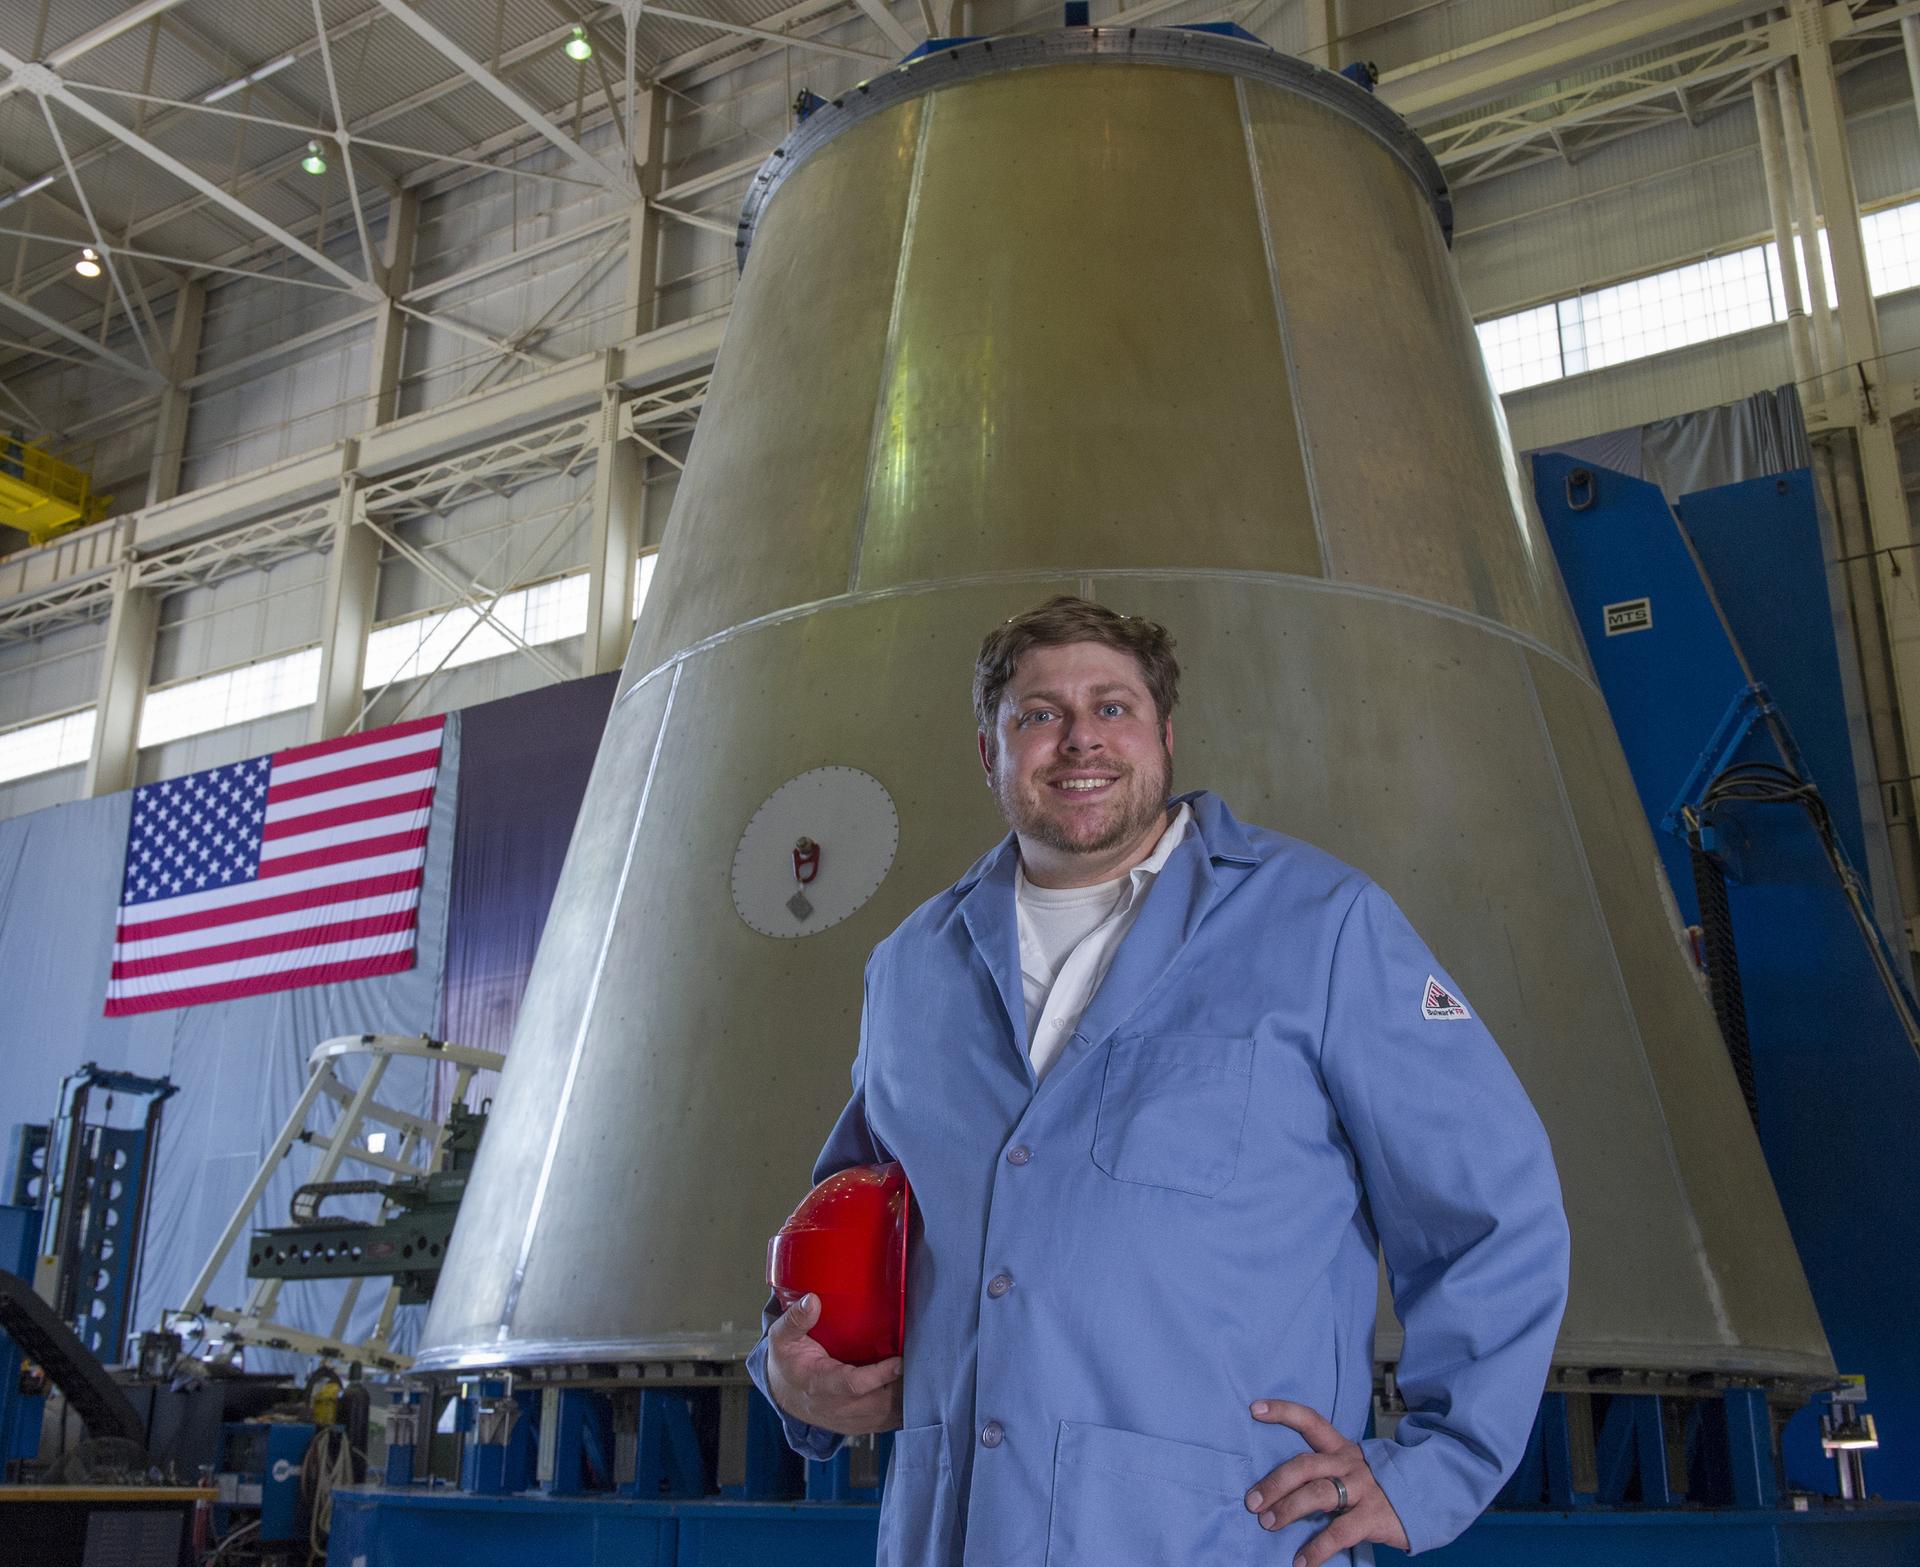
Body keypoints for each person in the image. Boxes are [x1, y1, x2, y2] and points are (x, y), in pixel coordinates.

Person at [748, 596, 1570, 1567]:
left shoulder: (1320, 926)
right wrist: (789, 1373)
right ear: (990, 751)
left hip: (1224, 1535)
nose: (1078, 740)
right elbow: (845, 1221)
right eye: (1039, 714)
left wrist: (1438, 1464)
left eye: (1112, 707)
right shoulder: (911, 968)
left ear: (1165, 736)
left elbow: (1490, 1204)